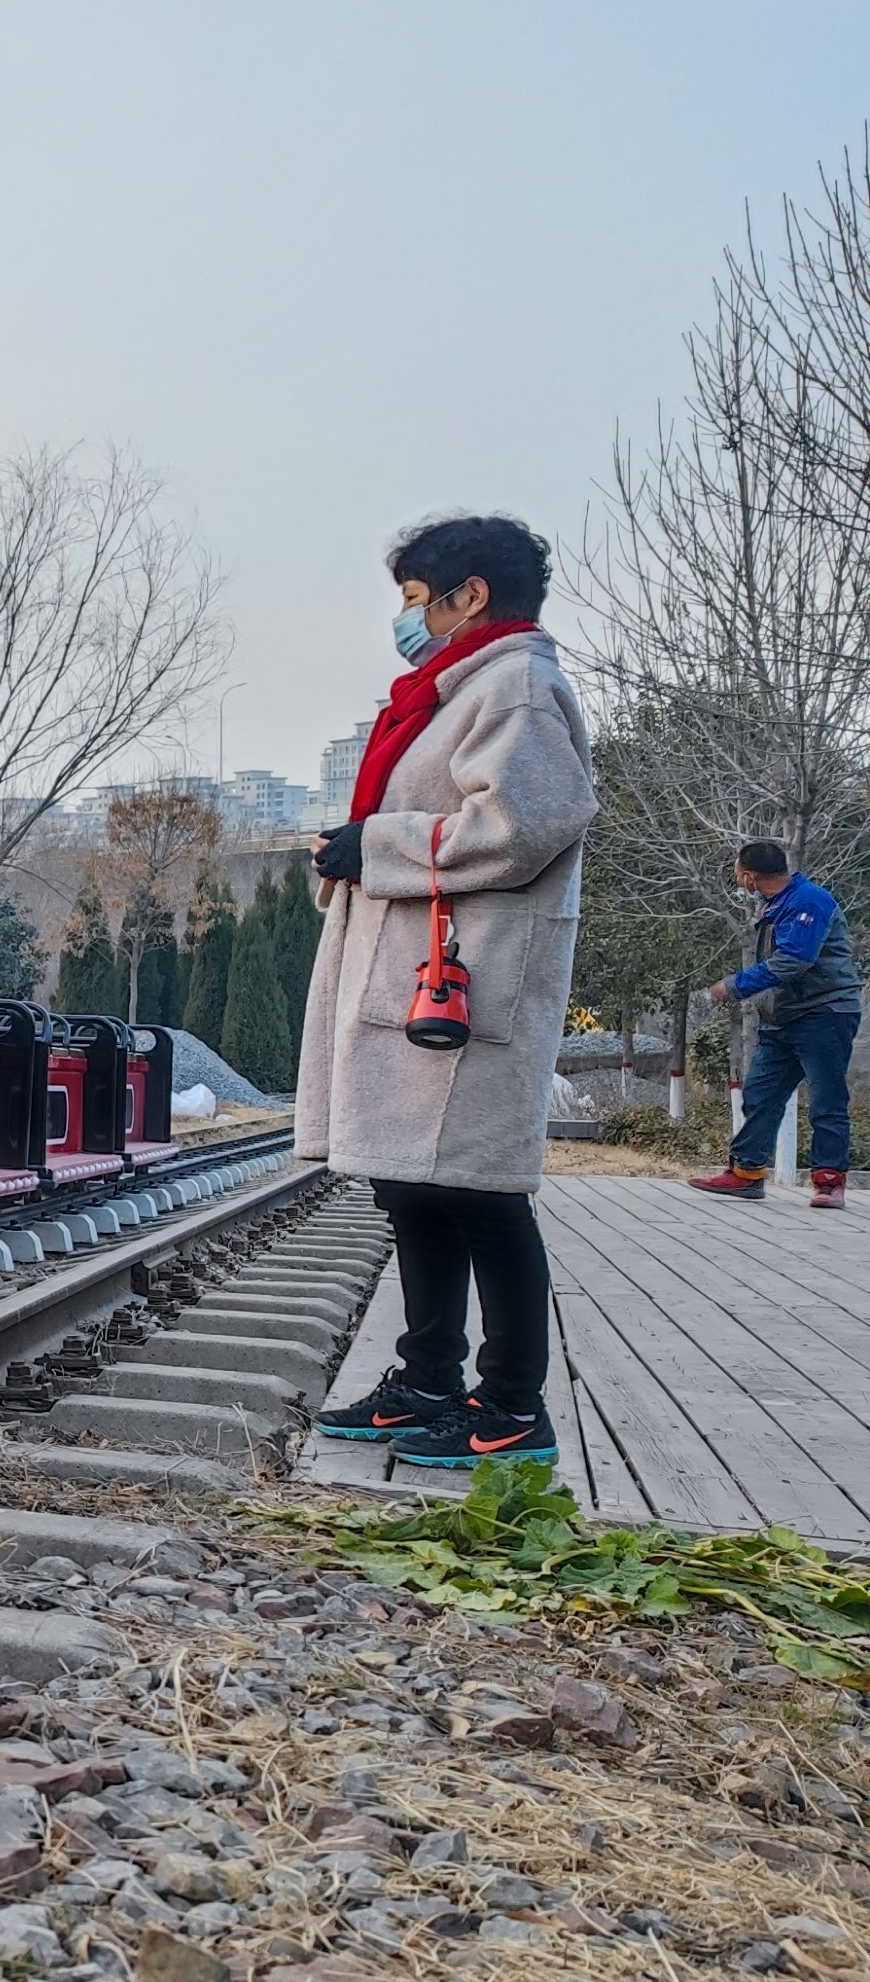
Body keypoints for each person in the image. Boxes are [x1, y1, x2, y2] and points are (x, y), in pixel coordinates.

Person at [300, 514, 595, 1469]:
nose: (407, 619)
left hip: (469, 989)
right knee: (413, 1187)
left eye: (416, 599)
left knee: (484, 1194)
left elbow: (522, 825)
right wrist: (356, 850)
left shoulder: (519, 685)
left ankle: (512, 1405)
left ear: (471, 594)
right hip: (423, 980)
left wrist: (376, 845)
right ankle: (428, 1379)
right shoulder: (452, 692)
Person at [686, 840, 856, 1209]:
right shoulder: (773, 903)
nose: (738, 881)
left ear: (749, 876)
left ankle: (829, 1182)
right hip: (782, 1017)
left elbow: (794, 961)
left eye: (737, 874)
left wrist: (732, 987)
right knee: (760, 1095)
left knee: (826, 1099)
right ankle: (745, 1174)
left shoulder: (809, 902)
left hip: (825, 1013)